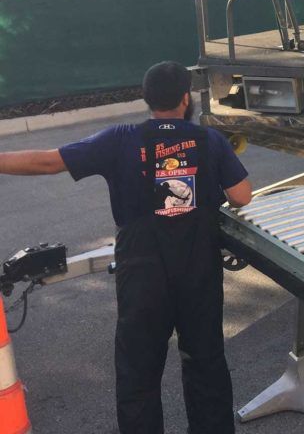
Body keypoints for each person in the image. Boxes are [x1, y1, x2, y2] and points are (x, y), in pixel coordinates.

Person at [0, 61, 252, 433]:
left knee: (138, 373)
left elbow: (48, 161)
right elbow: (242, 195)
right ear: (186, 99)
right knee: (206, 364)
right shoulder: (210, 140)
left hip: (142, 273)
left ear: (147, 100)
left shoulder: (118, 139)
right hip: (198, 271)